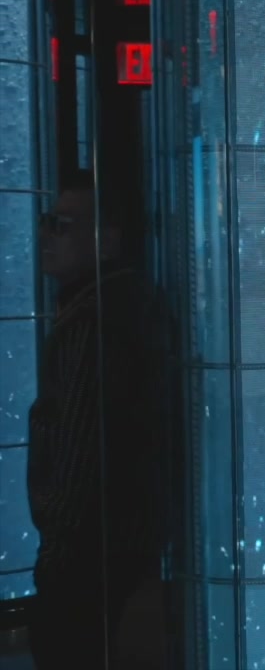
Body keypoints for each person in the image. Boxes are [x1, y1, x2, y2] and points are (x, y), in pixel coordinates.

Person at [27, 185, 170, 668]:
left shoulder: (94, 321)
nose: (46, 234)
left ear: (107, 241)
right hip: (123, 550)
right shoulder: (121, 303)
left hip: (90, 558)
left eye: (61, 225)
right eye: (47, 221)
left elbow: (77, 450)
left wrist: (57, 549)